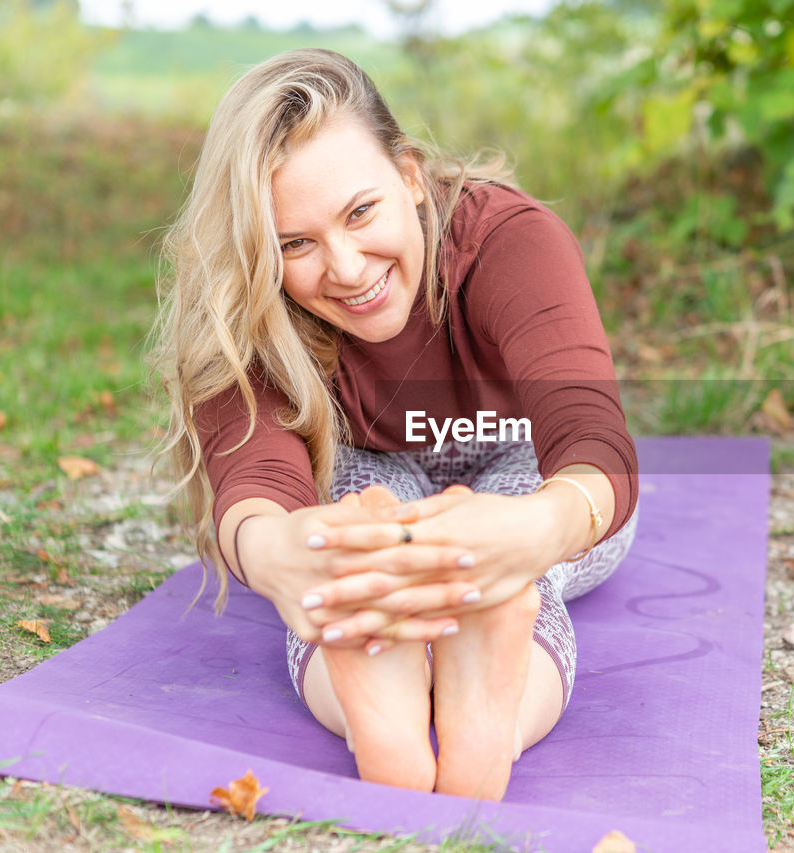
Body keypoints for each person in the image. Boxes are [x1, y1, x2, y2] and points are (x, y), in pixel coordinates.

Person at [150, 48, 638, 801]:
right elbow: (256, 481)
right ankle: (386, 710)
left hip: (528, 458)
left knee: (516, 560)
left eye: (360, 212)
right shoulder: (241, 298)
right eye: (296, 244)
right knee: (351, 540)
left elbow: (590, 437)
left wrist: (540, 527)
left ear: (409, 176)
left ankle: (485, 716)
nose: (345, 267)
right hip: (365, 460)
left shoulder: (511, 239)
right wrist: (284, 554)